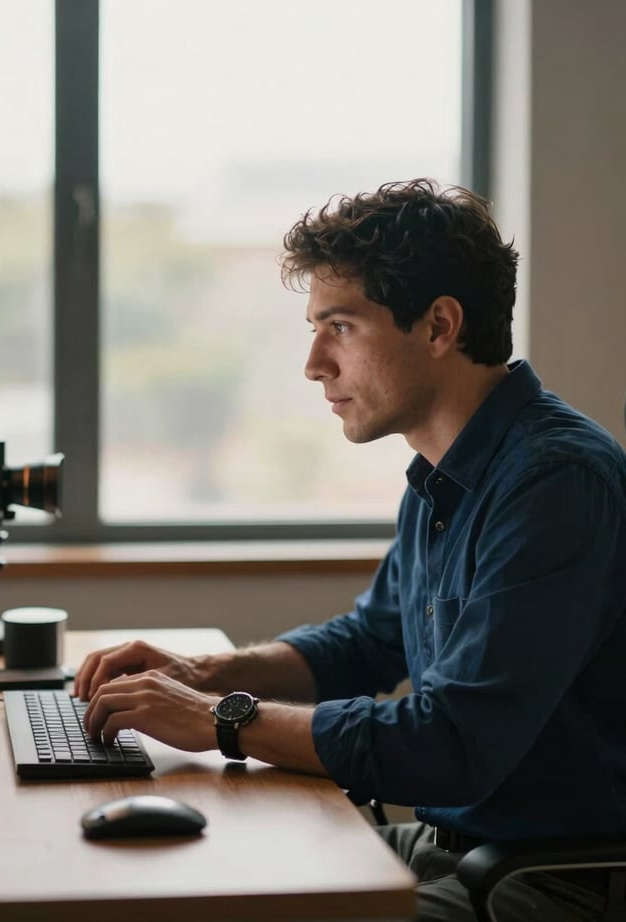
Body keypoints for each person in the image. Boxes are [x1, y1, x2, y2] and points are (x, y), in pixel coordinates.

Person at [74, 179, 626, 921]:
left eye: (340, 326)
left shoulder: (556, 483)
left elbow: (452, 741)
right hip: (452, 848)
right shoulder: (444, 471)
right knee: (197, 876)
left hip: (552, 883)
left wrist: (219, 717)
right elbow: (369, 643)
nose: (312, 363)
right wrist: (201, 672)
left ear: (438, 326)